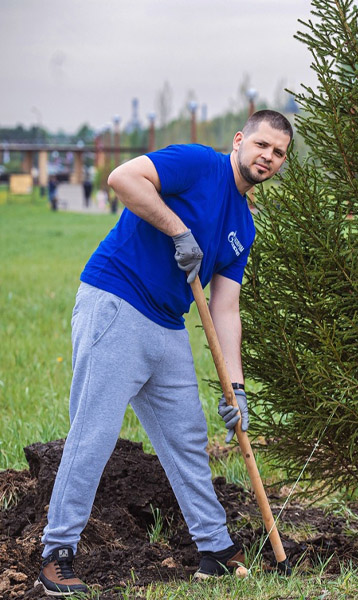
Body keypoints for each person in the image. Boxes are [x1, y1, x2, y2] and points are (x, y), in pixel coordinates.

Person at [35, 110, 292, 596]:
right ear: (240, 140)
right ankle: (56, 554)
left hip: (167, 325)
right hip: (117, 301)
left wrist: (235, 389)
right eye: (262, 145)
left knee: (188, 437)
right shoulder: (197, 163)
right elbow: (122, 178)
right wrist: (178, 230)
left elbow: (226, 310)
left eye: (278, 153)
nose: (268, 157)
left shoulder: (244, 224)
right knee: (95, 432)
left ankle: (214, 549)